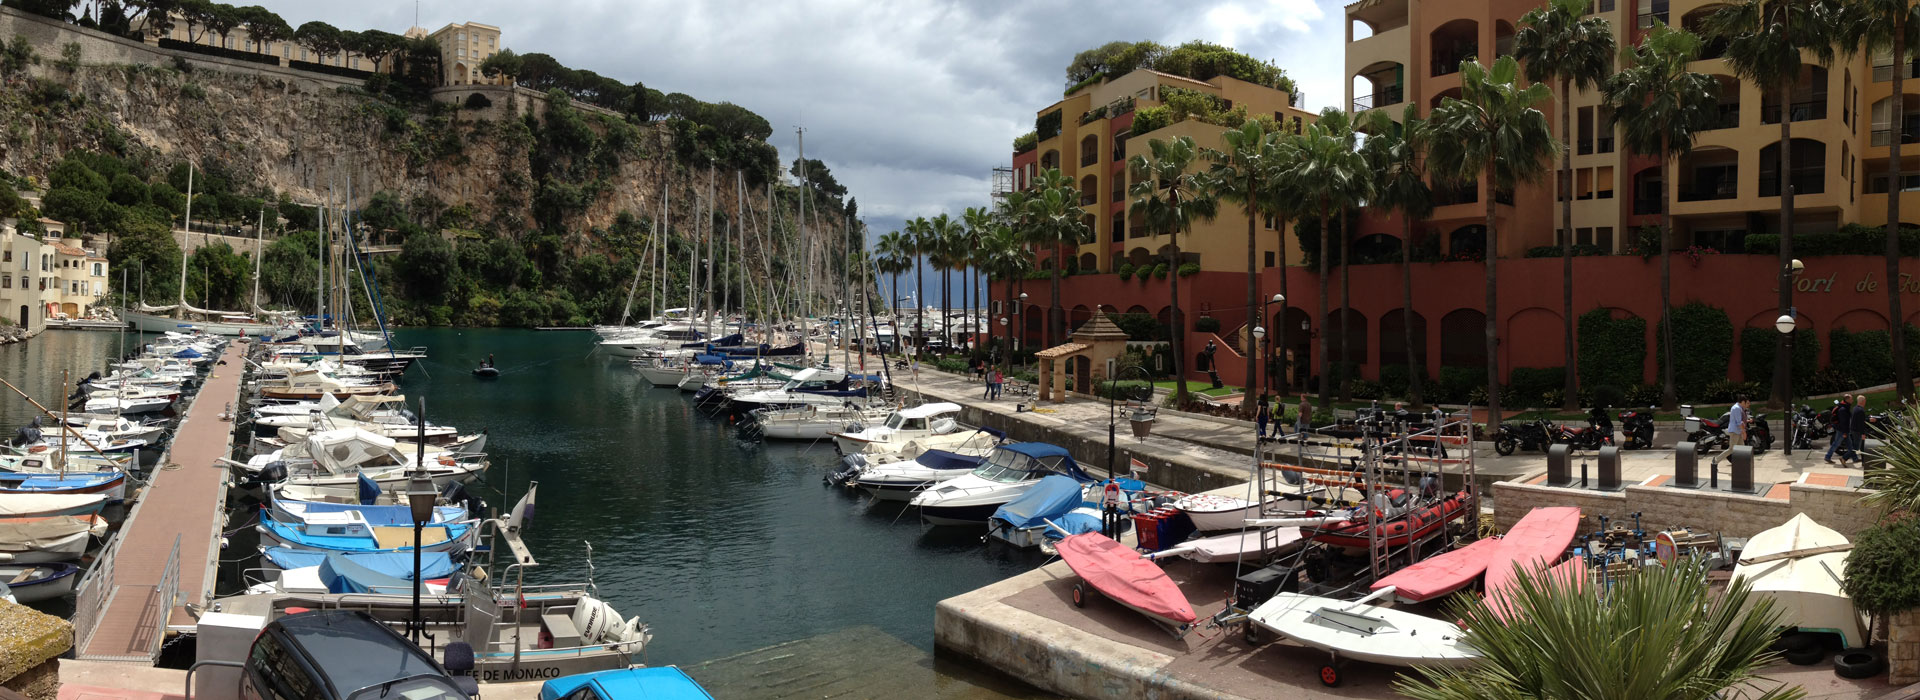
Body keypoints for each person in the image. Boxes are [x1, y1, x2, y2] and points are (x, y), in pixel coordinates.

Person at [1826, 395, 1852, 465]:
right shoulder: (1843, 409)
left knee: (1850, 446)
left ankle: (1855, 458)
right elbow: (1843, 422)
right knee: (1836, 444)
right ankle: (1828, 457)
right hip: (1842, 430)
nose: (1852, 400)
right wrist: (1845, 432)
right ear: (1847, 400)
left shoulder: (1845, 407)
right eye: (1851, 399)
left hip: (1845, 430)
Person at [1850, 396, 1869, 464]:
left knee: (1861, 446)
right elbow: (1861, 423)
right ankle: (1844, 458)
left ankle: (1863, 461)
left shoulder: (1855, 408)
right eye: (1865, 400)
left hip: (1854, 429)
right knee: (1857, 447)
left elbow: (1859, 420)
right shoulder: (1861, 410)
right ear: (1863, 401)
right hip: (1858, 431)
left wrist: (1868, 419)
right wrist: (1863, 434)